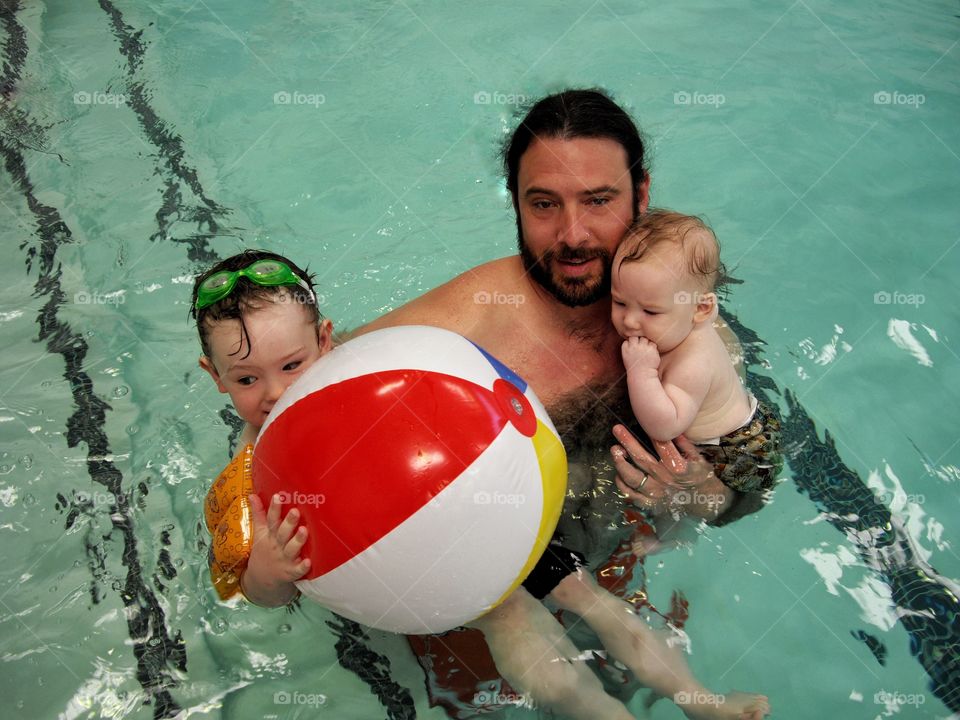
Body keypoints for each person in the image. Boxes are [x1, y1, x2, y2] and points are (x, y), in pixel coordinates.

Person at [359, 89, 772, 719]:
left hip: (619, 564)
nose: (572, 235)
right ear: (516, 204)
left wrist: (695, 493)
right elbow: (299, 407)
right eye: (543, 204)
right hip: (486, 593)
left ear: (642, 193)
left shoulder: (685, 318)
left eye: (599, 201)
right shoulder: (468, 320)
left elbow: (751, 478)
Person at [611, 210, 782, 547]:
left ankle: (672, 539)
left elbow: (665, 425)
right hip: (743, 428)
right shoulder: (682, 319)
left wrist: (641, 371)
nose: (629, 321)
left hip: (738, 451)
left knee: (680, 497)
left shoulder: (695, 360)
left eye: (650, 311)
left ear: (701, 309)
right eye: (618, 302)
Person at [192, 249, 333, 607]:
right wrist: (270, 570)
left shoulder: (364, 372)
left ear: (325, 341)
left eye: (291, 366)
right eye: (248, 378)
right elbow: (257, 595)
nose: (276, 393)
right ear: (216, 376)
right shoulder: (254, 478)